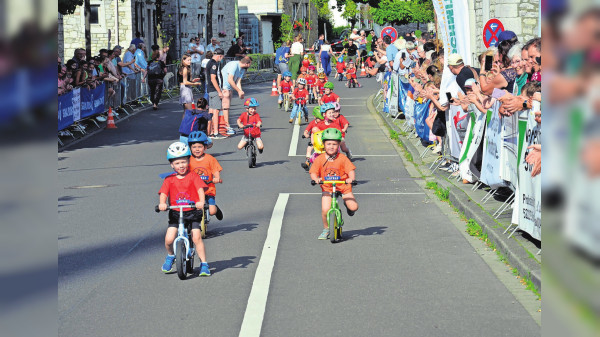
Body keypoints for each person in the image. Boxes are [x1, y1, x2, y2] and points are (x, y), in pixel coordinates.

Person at [158, 141, 211, 276]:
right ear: (172, 165)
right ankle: (171, 256)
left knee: (197, 237)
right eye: (177, 163)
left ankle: (204, 264)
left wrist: (201, 202)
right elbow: (163, 193)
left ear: (188, 161)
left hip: (193, 211)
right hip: (176, 212)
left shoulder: (193, 176)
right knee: (169, 239)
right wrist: (162, 203)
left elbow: (200, 189)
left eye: (183, 162)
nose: (181, 165)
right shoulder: (169, 179)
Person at [309, 127, 358, 240]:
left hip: (343, 186)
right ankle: (326, 229)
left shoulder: (342, 158)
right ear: (324, 144)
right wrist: (316, 179)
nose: (331, 146)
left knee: (354, 207)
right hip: (328, 187)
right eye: (329, 144)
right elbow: (313, 171)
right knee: (325, 210)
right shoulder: (320, 159)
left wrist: (351, 178)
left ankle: (348, 207)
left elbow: (350, 170)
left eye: (334, 144)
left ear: (339, 145)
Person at [187, 131, 225, 221]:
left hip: (208, 189)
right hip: (194, 190)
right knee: (191, 208)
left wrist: (217, 178)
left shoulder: (210, 159)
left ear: (205, 147)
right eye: (194, 147)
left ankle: (215, 208)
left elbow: (215, 170)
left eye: (199, 147)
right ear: (190, 148)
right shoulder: (188, 160)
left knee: (211, 211)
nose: (197, 149)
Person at [221, 56, 252, 135]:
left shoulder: (242, 69)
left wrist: (240, 91)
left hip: (230, 87)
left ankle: (225, 124)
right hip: (224, 86)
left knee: (227, 107)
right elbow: (230, 79)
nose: (250, 66)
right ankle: (226, 126)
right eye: (250, 64)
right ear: (246, 63)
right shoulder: (234, 65)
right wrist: (238, 90)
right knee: (225, 106)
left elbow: (238, 81)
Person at [205, 48, 225, 139]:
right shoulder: (214, 64)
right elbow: (213, 78)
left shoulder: (209, 62)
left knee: (211, 111)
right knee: (216, 111)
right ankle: (216, 132)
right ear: (220, 56)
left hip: (210, 90)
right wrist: (219, 91)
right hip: (214, 90)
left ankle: (210, 131)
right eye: (222, 57)